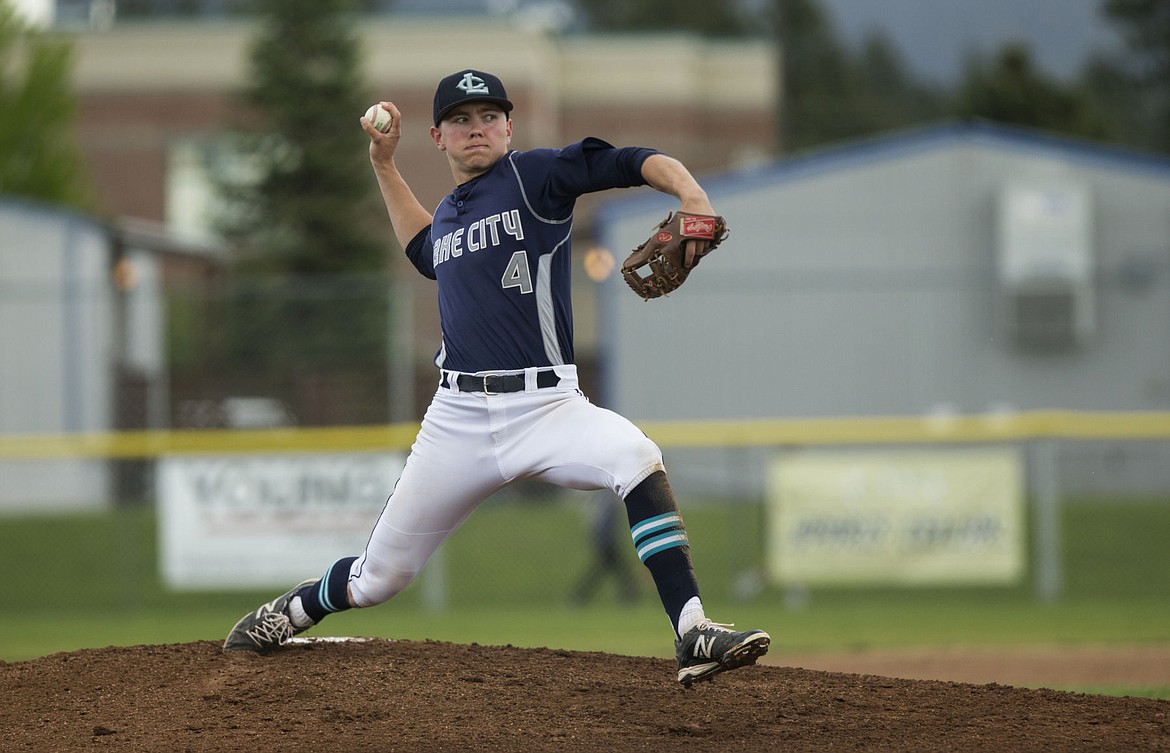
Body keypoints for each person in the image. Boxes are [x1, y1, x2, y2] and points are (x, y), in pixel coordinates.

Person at [224, 69, 770, 686]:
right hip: (456, 420)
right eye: (461, 119)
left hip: (549, 408)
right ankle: (288, 612)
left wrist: (691, 195)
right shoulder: (452, 215)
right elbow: (422, 251)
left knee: (637, 457)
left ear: (509, 126)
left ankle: (693, 631)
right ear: (439, 136)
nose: (476, 128)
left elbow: (631, 159)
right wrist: (383, 164)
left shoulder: (536, 177)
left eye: (488, 116)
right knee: (378, 578)